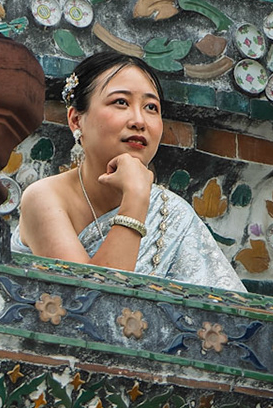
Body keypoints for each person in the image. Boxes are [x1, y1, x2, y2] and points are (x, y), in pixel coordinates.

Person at [17, 52, 245, 291]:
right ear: (76, 120)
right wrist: (135, 198)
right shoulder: (44, 198)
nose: (139, 120)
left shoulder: (173, 213)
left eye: (151, 107)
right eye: (121, 102)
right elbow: (89, 303)